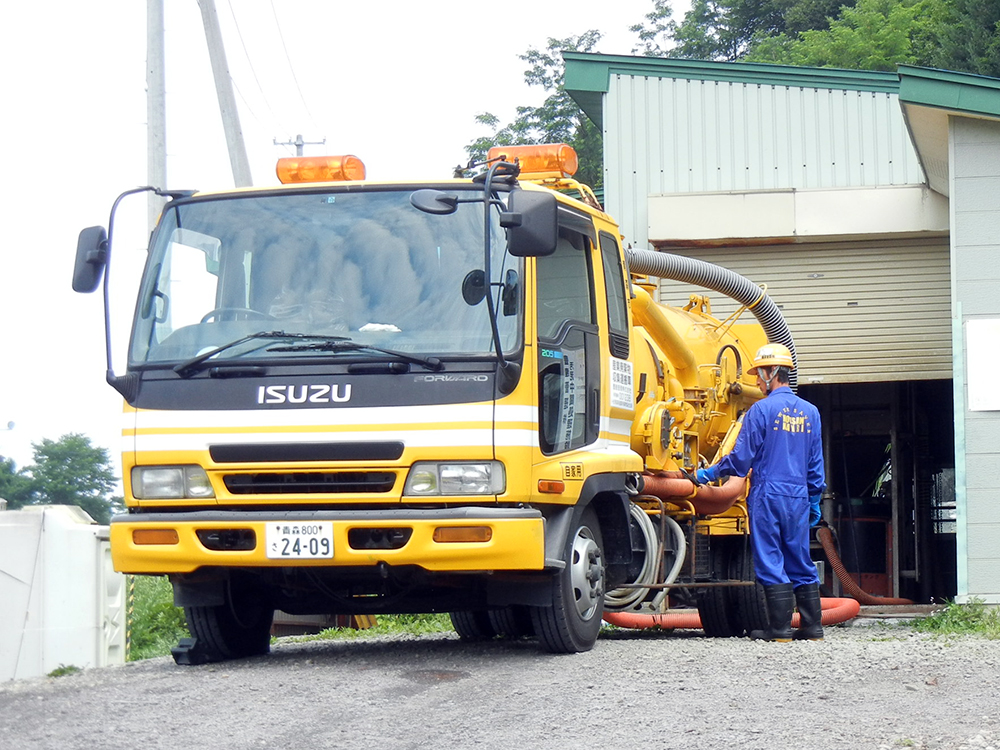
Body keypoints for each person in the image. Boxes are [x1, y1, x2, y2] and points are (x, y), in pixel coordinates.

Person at [695, 343, 826, 642]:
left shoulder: (761, 410)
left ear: (772, 373)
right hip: (799, 497)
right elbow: (815, 463)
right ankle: (812, 628)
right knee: (800, 557)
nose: (755, 380)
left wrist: (708, 473)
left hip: (768, 494)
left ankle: (779, 629)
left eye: (758, 374)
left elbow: (741, 460)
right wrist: (815, 497)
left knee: (769, 558)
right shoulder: (811, 413)